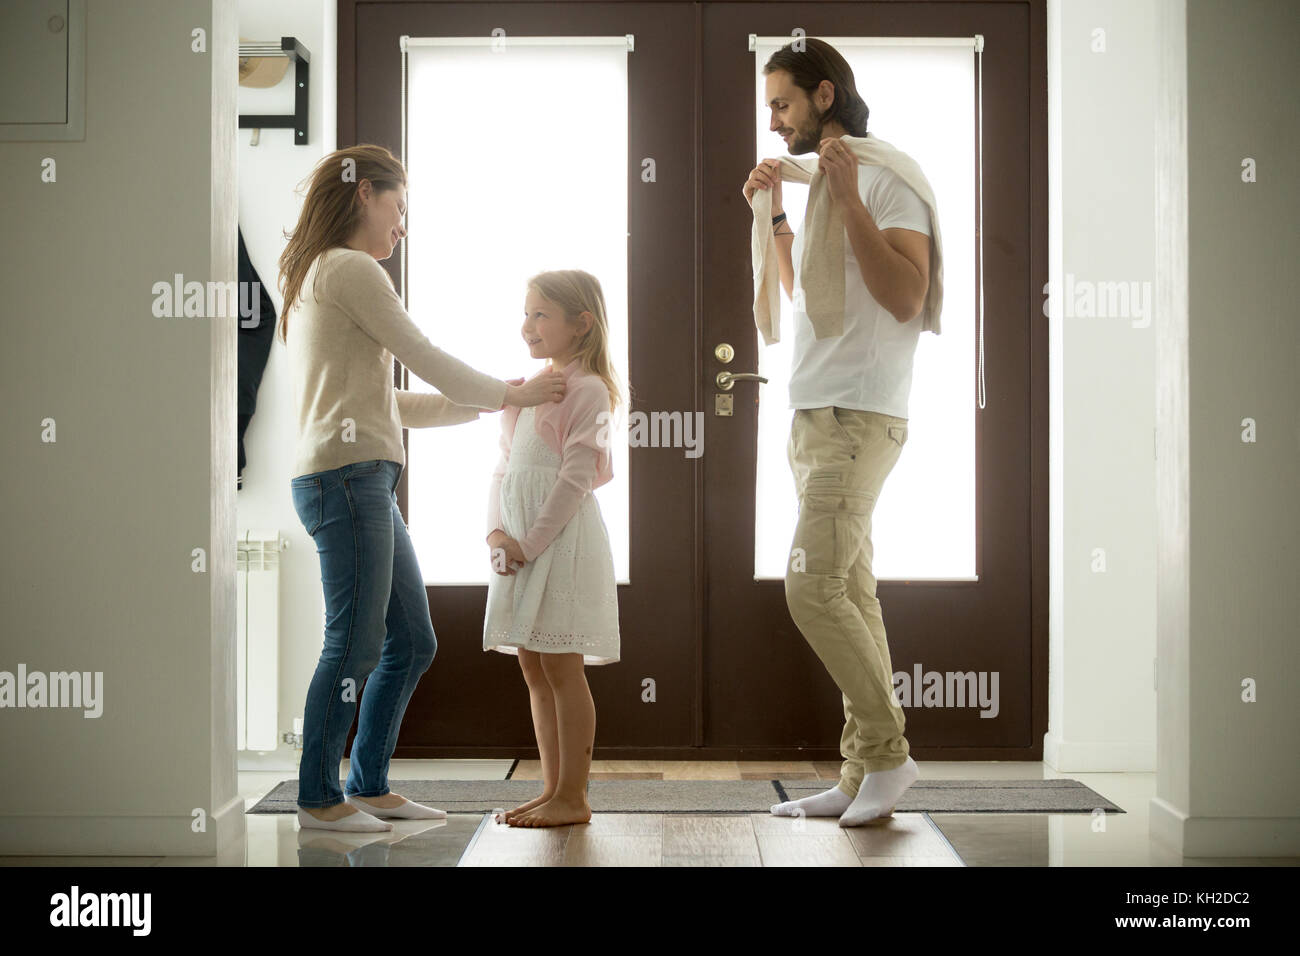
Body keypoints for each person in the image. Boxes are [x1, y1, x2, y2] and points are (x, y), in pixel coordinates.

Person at [278, 144, 567, 832]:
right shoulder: (351, 269)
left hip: (357, 478)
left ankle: (368, 783)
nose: (403, 223)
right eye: (398, 205)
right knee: (353, 643)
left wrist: (503, 400)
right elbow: (426, 358)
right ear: (362, 194)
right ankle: (319, 797)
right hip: (346, 482)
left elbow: (392, 402)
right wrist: (506, 391)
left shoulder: (326, 274)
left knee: (411, 640)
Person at [743, 39, 941, 826]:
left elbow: (904, 297)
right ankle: (860, 772)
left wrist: (851, 198)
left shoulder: (886, 177)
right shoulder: (822, 180)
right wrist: (780, 214)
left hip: (861, 417)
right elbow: (812, 298)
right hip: (816, 416)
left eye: (782, 104)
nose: (773, 121)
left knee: (811, 584)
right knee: (853, 589)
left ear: (825, 96)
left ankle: (888, 755)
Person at [482, 270, 624, 828]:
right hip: (518, 544)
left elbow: (576, 479)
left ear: (580, 323)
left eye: (540, 314)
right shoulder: (527, 389)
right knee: (532, 663)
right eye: (526, 313)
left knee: (562, 665)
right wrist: (496, 534)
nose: (527, 326)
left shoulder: (588, 390)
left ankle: (574, 794)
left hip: (558, 544)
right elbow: (503, 468)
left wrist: (530, 543)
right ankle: (552, 788)